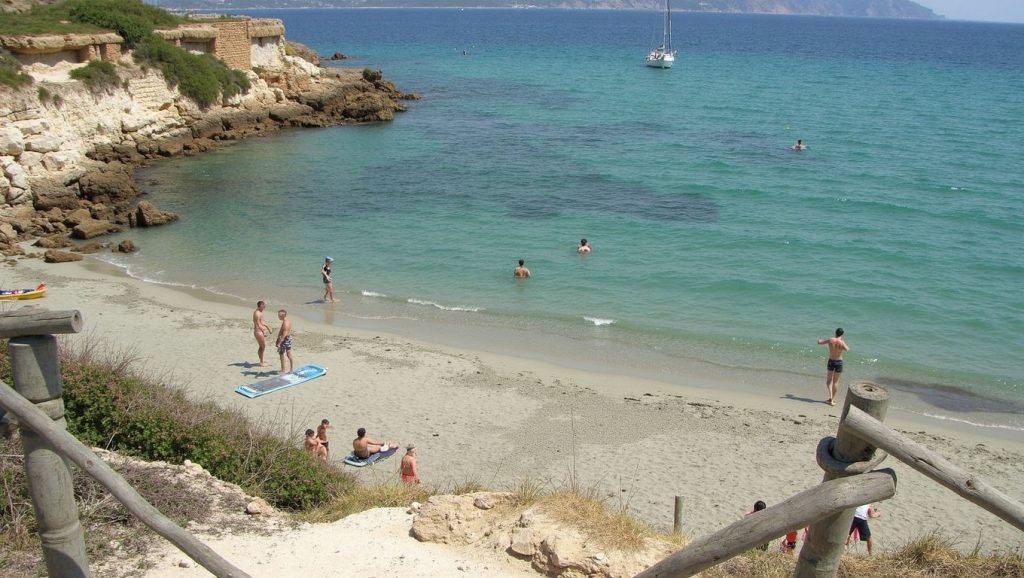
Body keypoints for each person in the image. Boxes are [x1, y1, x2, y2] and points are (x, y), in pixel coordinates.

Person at [817, 327, 850, 406]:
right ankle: (832, 399)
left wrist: (818, 340)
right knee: (835, 382)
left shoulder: (831, 340)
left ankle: (830, 397)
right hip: (839, 362)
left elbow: (820, 342)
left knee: (829, 381)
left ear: (835, 333)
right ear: (842, 334)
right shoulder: (841, 342)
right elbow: (847, 349)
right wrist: (841, 343)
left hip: (831, 361)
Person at [252, 300, 272, 367]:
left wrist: (268, 327)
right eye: (263, 306)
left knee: (262, 346)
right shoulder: (257, 313)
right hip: (258, 332)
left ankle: (262, 360)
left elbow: (262, 322)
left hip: (259, 331)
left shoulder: (259, 312)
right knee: (262, 346)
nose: (264, 307)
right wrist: (263, 331)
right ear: (260, 306)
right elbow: (258, 324)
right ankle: (261, 362)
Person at [276, 309, 293, 375]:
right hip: (287, 339)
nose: (278, 317)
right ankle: (289, 369)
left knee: (283, 354)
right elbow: (281, 331)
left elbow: (284, 334)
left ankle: (284, 369)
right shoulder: (286, 321)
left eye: (279, 316)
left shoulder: (285, 323)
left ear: (283, 316)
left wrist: (279, 343)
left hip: (285, 339)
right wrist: (278, 338)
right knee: (286, 353)